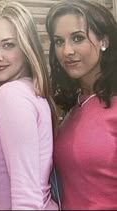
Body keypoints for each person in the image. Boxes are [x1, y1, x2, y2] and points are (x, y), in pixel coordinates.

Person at [0, 0, 59, 210]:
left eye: (8, 45)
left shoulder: (10, 96)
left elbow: (27, 196)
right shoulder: (31, 93)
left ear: (27, 47)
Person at [46, 0, 117, 209]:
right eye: (59, 41)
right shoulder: (75, 105)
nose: (67, 51)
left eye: (77, 38)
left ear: (104, 41)